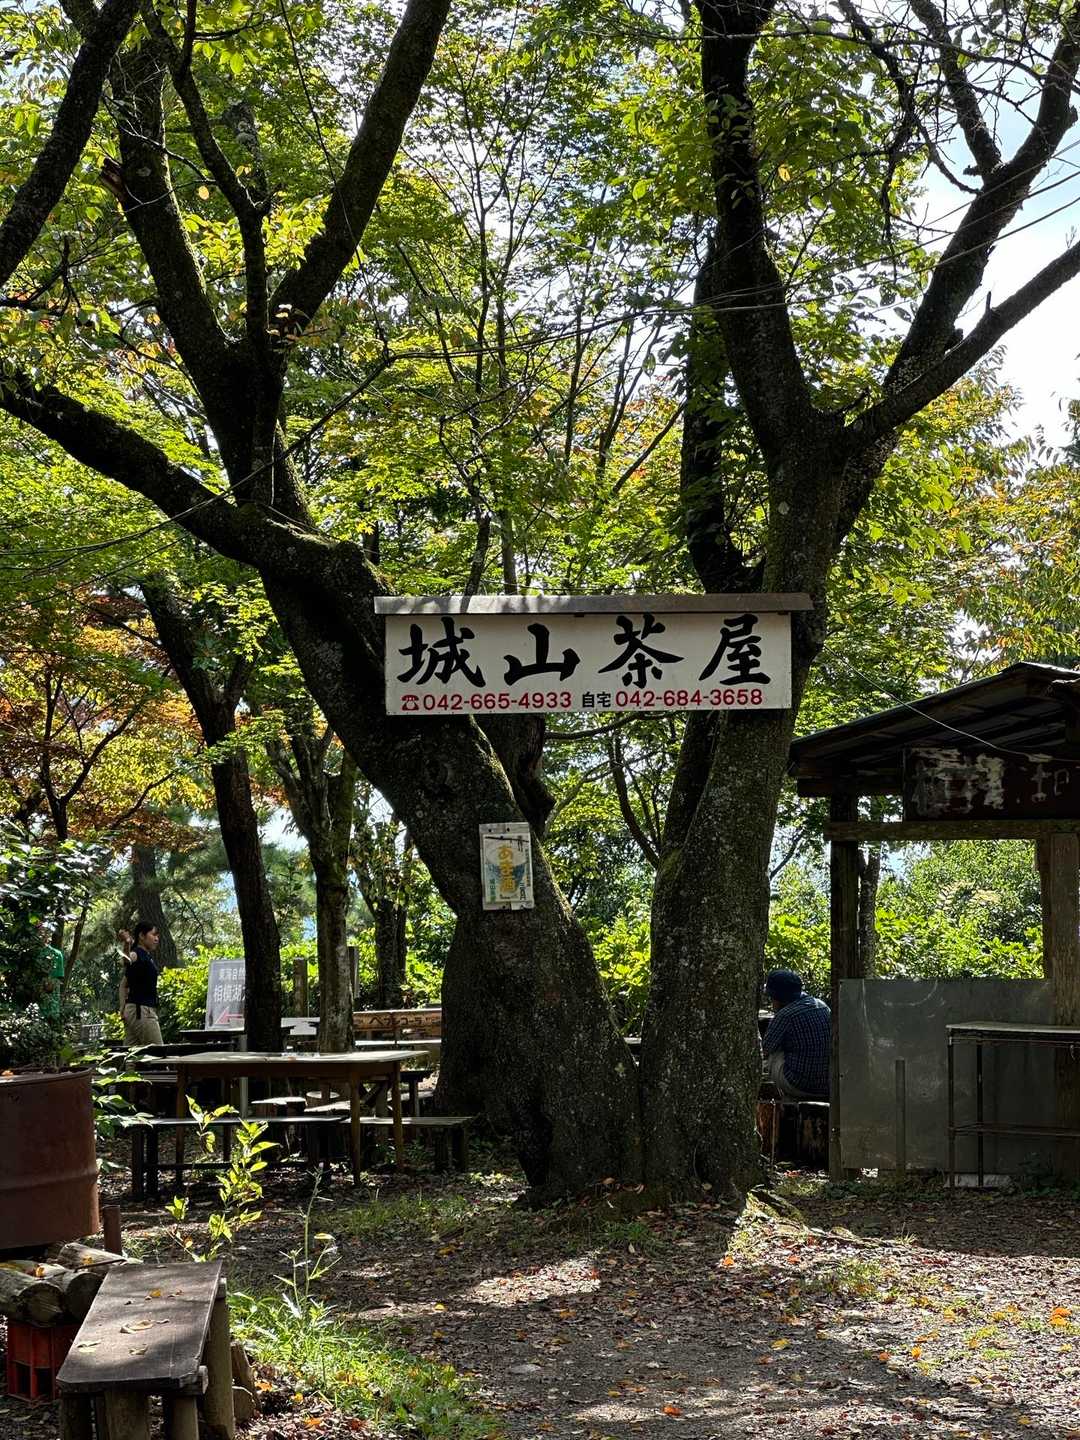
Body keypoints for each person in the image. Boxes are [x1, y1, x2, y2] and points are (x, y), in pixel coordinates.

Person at [761, 968, 830, 1100]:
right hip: (828, 1085)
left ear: (777, 998)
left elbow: (765, 1050)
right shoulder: (822, 1005)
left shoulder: (785, 1015)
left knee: (774, 1054)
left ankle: (787, 1097)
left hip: (800, 1085)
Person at [120, 921, 163, 1046]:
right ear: (142, 936)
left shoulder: (146, 957)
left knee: (132, 1055)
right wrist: (127, 943)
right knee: (157, 1052)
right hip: (142, 1011)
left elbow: (123, 985)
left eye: (158, 936)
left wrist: (123, 1008)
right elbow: (126, 960)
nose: (156, 939)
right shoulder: (137, 954)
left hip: (134, 1011)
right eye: (153, 935)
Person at [37, 919, 65, 1020]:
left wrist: (48, 983)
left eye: (46, 932)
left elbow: (58, 978)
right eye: (40, 931)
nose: (43, 934)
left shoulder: (57, 954)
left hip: (51, 999)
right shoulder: (30, 953)